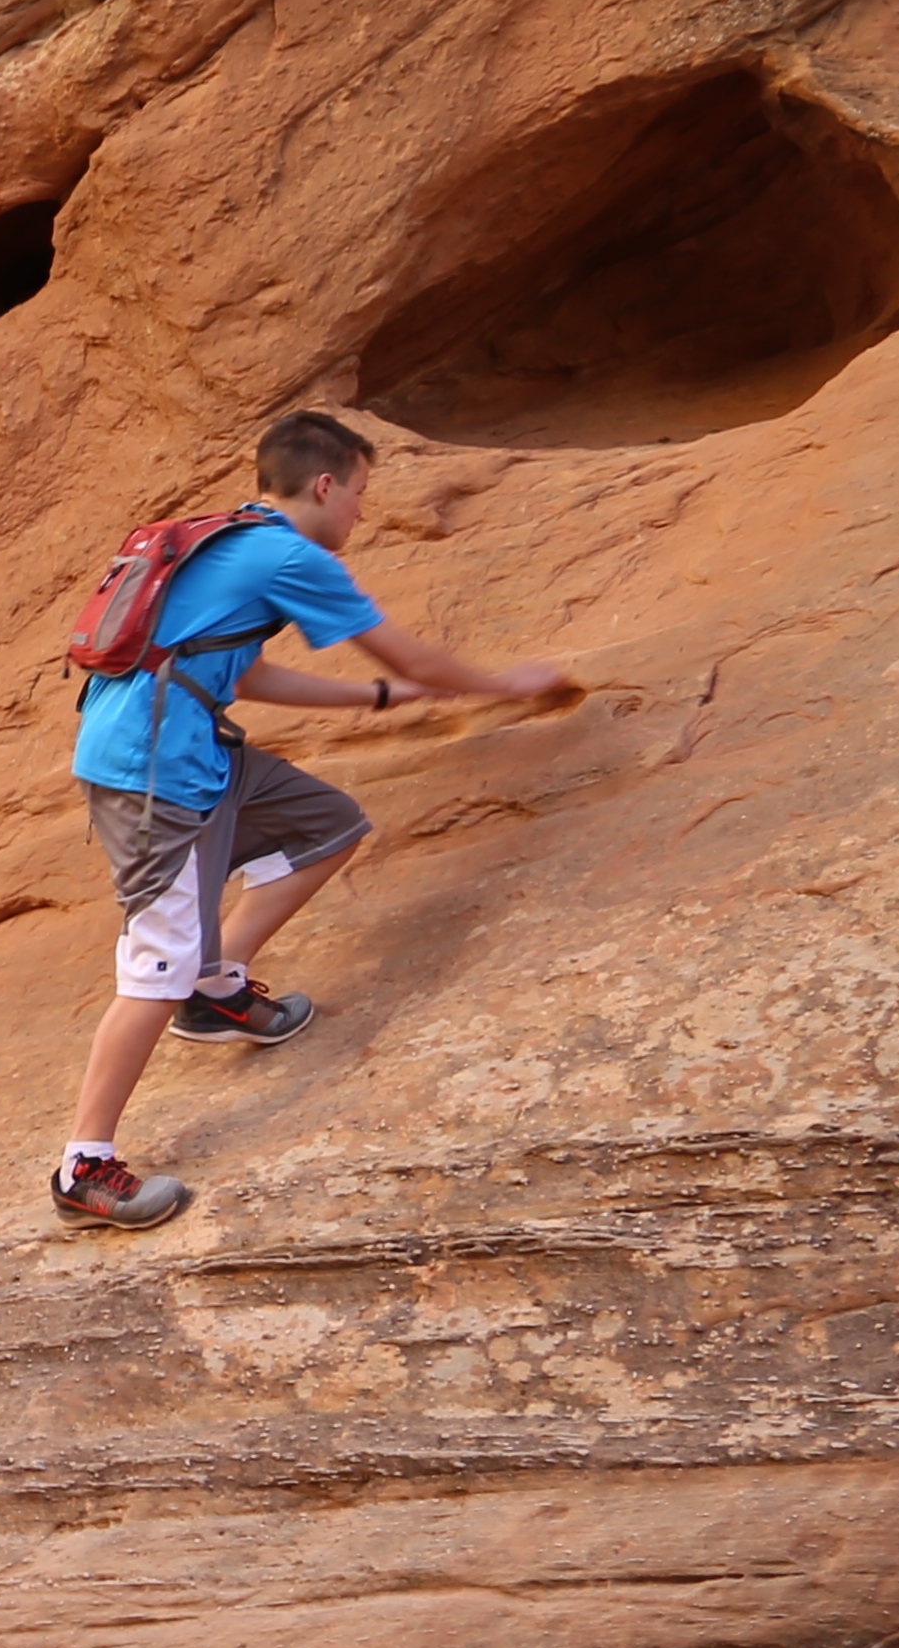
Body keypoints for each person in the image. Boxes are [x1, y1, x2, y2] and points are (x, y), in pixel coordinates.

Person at [52, 409, 573, 1230]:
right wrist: (506, 683)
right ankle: (85, 1165)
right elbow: (411, 657)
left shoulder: (231, 541)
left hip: (190, 747)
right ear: (324, 485)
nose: (363, 512)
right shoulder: (289, 554)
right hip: (155, 773)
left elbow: (244, 672)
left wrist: (369, 699)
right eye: (360, 493)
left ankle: (215, 991)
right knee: (156, 963)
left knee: (327, 825)